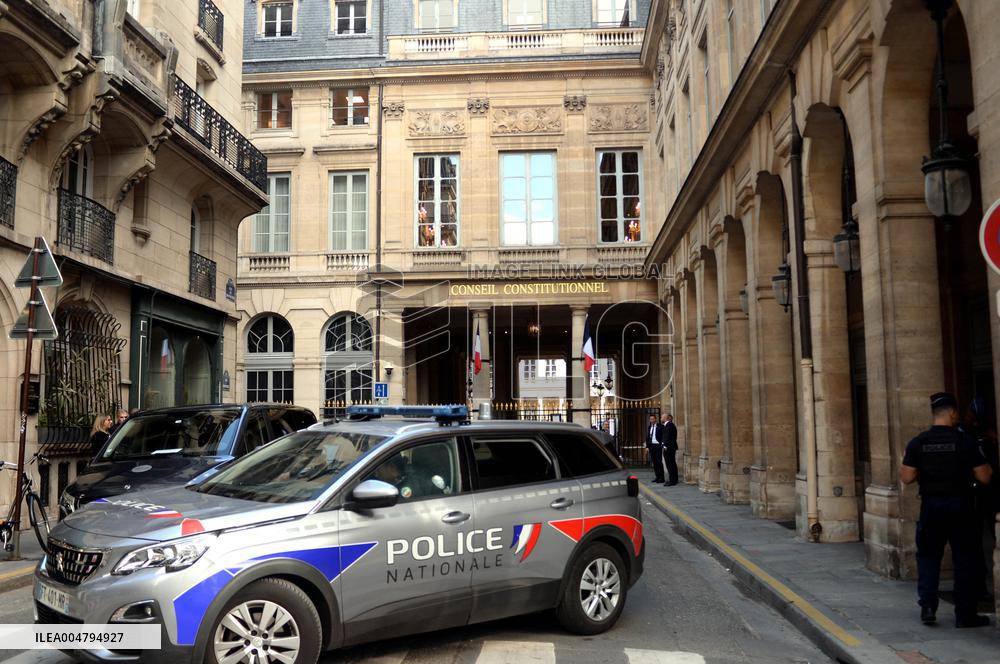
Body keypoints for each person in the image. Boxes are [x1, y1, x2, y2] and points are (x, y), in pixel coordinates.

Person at [900, 392, 993, 628]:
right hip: (961, 506)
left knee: (929, 557)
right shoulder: (965, 442)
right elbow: (984, 476)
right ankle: (965, 614)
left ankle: (928, 607)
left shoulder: (918, 442)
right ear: (952, 413)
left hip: (931, 506)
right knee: (965, 559)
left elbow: (907, 477)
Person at [646, 414, 665, 483]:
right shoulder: (649, 427)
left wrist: (662, 444)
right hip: (652, 446)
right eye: (650, 419)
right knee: (654, 462)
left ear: (655, 419)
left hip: (658, 446)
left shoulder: (660, 426)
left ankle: (661, 478)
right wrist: (647, 446)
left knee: (659, 462)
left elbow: (663, 436)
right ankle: (657, 477)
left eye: (653, 419)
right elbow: (648, 437)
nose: (652, 420)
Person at [661, 413, 679, 486]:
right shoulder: (667, 425)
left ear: (666, 418)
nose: (661, 418)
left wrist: (664, 446)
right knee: (671, 464)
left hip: (669, 448)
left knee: (670, 464)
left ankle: (673, 480)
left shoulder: (670, 425)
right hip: (669, 447)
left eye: (662, 417)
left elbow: (668, 437)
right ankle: (673, 479)